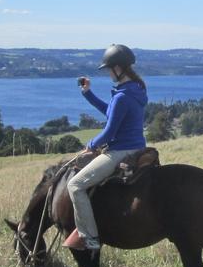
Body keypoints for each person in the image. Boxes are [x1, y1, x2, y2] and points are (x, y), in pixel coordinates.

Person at [63, 44, 148, 252]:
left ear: (118, 68)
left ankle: (90, 237)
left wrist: (90, 145)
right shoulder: (135, 90)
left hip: (120, 151)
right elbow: (111, 113)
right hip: (138, 148)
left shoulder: (121, 96)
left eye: (110, 69)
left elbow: (109, 133)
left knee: (75, 186)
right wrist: (88, 93)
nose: (109, 73)